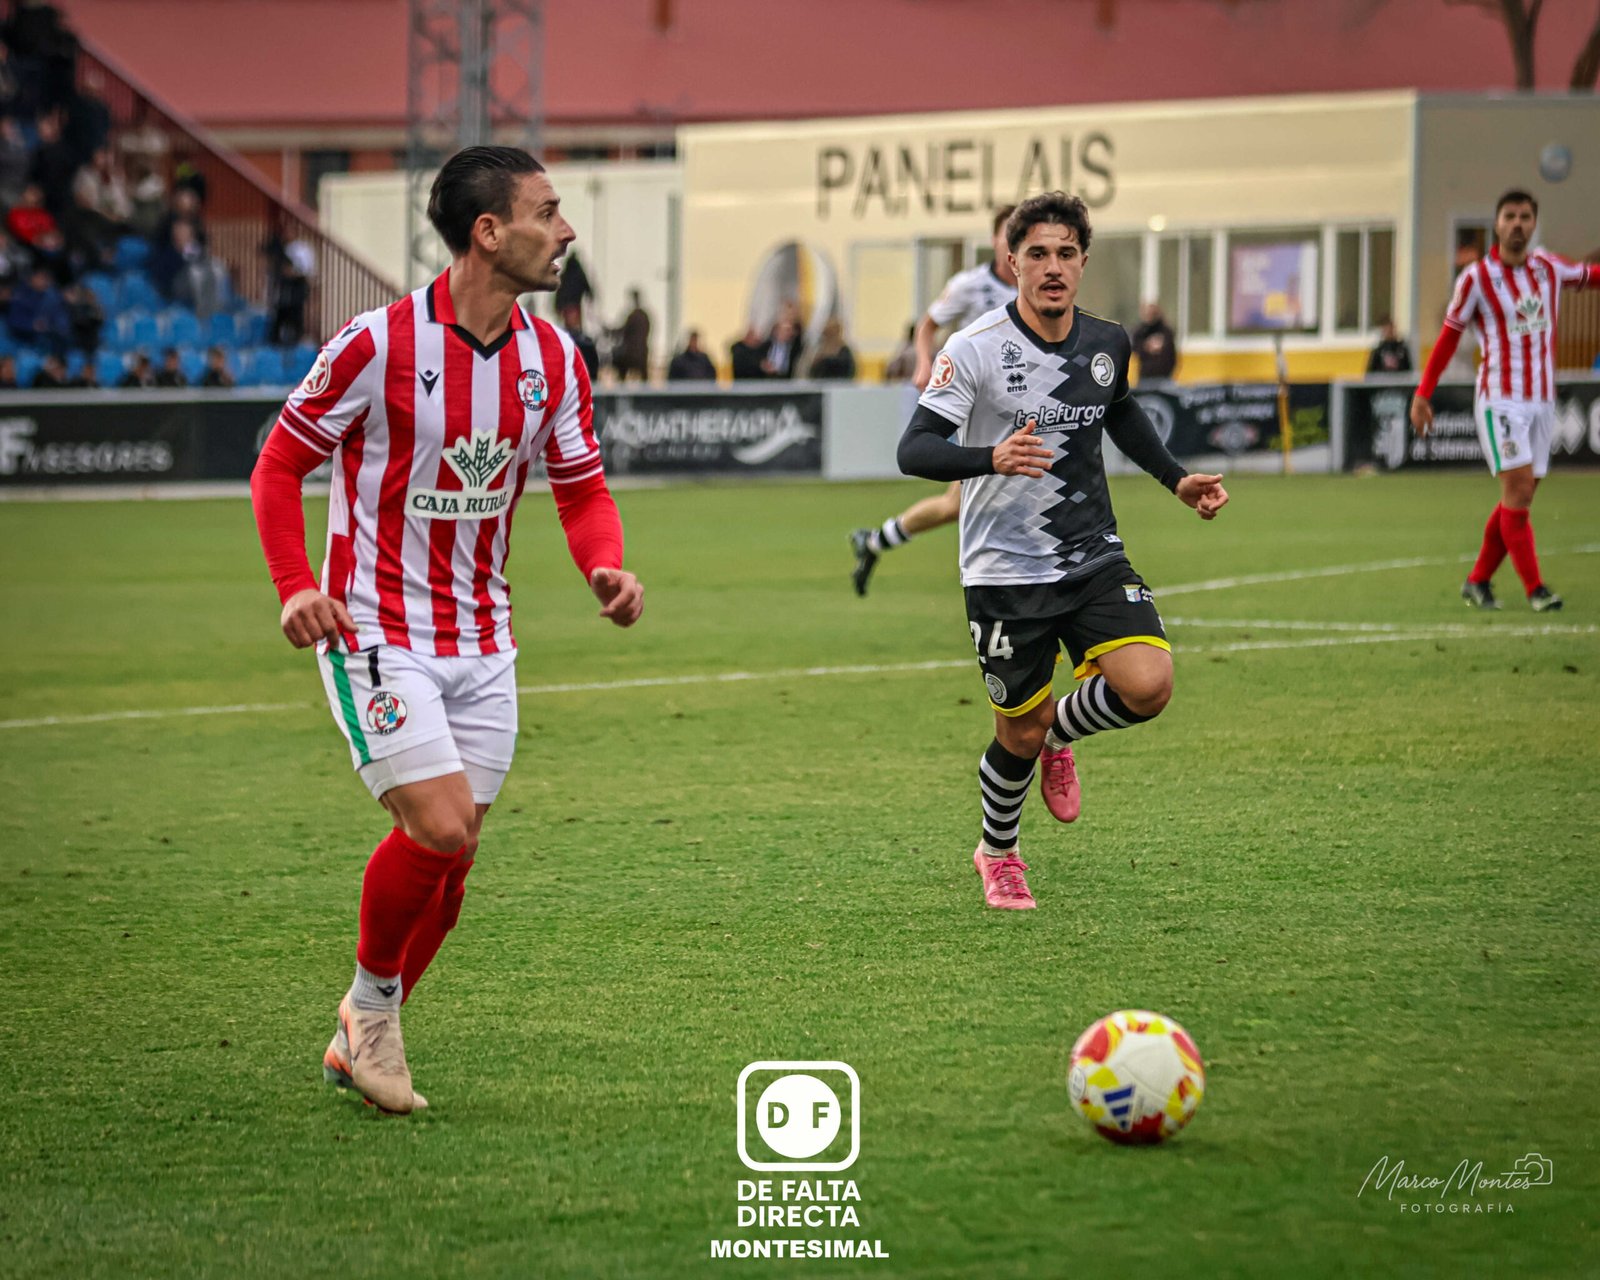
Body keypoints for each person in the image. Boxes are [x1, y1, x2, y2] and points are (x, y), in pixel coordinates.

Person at [250, 145, 643, 1115]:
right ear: (489, 231)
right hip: (376, 624)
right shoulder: (374, 345)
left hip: (483, 638)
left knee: (456, 858)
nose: (567, 230)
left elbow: (582, 485)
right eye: (548, 212)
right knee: (437, 824)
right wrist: (296, 583)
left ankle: (364, 1018)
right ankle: (375, 1015)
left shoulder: (554, 357)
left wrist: (605, 562)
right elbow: (275, 465)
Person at [896, 192, 1227, 911]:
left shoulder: (1107, 343)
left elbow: (1121, 409)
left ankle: (1057, 738)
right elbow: (914, 449)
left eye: (1066, 253)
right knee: (1017, 730)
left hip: (1090, 550)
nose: (1052, 267)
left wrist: (1176, 479)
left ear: (1083, 262)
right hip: (1002, 569)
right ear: (1012, 262)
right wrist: (991, 456)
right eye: (1037, 253)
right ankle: (998, 852)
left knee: (1149, 685)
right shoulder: (975, 346)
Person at [1410, 189, 1599, 613]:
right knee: (1517, 490)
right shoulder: (1476, 278)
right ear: (1496, 224)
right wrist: (1423, 393)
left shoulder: (1549, 268)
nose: (1517, 224)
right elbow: (1448, 337)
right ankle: (1536, 590)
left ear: (1534, 224)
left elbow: (1591, 277)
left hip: (1542, 402)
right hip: (1501, 400)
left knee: (1520, 496)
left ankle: (1477, 581)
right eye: (1510, 216)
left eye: (1525, 217)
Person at [850, 204, 1016, 595]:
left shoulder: (1035, 287)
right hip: (977, 410)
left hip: (1017, 406)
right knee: (973, 500)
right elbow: (928, 324)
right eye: (1007, 233)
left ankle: (875, 541)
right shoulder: (970, 285)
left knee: (956, 504)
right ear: (993, 239)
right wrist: (924, 363)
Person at [1130, 301, 1178, 381]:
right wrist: (1147, 346)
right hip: (1146, 376)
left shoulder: (1165, 331)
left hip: (1164, 377)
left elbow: (1171, 353)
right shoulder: (1140, 331)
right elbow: (1135, 349)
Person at [613, 287, 651, 381]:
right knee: (644, 375)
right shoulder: (644, 316)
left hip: (632, 354)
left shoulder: (633, 316)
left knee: (619, 364)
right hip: (642, 353)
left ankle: (620, 388)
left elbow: (623, 331)